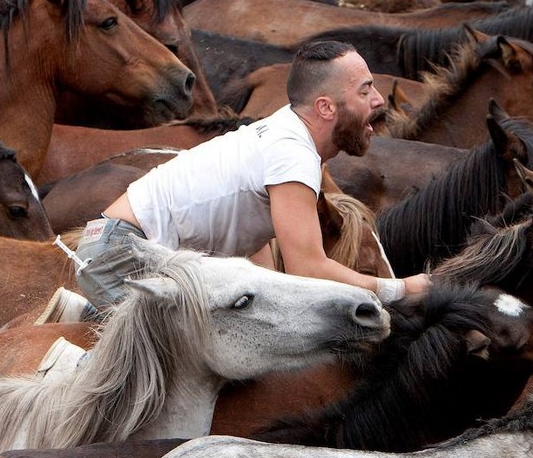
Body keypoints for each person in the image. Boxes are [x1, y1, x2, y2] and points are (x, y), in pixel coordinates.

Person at [73, 40, 430, 313]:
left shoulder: (286, 137)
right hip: (124, 253)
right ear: (325, 107)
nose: (379, 100)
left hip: (122, 246)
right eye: (365, 90)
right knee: (175, 381)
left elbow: (255, 243)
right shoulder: (293, 153)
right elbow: (306, 269)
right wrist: (399, 290)